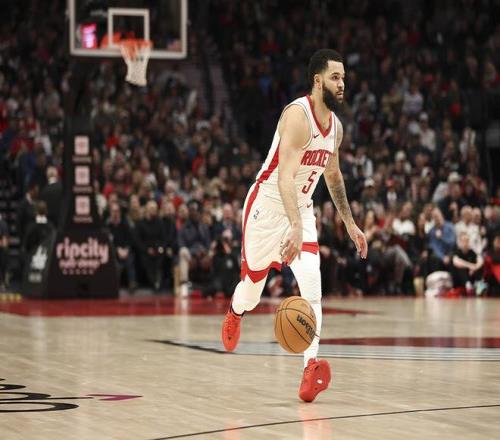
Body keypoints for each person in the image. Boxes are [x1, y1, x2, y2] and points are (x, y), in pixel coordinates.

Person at [221, 49, 368, 403]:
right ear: (318, 81)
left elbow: (333, 176)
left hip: (301, 208)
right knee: (251, 292)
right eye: (335, 77)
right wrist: (294, 226)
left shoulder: (336, 129)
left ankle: (310, 368)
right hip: (267, 207)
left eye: (344, 78)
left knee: (312, 289)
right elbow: (285, 177)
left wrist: (350, 224)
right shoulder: (297, 116)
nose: (342, 84)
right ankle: (236, 311)